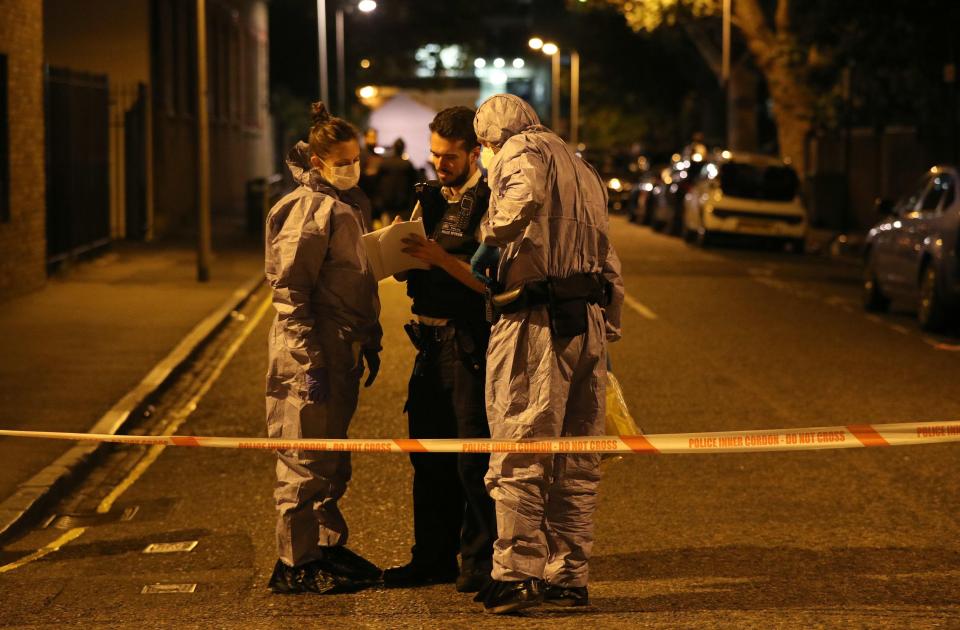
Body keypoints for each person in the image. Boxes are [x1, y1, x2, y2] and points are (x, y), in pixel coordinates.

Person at [470, 94, 624, 614]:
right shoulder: (583, 169)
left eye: (484, 146)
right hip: (588, 323)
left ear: (493, 137)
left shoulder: (519, 152)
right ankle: (569, 576)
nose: (487, 156)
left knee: (520, 447)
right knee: (577, 459)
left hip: (535, 324)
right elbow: (608, 257)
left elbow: (521, 200)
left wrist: (489, 236)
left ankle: (516, 574)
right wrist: (611, 324)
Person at [264, 102, 384, 594]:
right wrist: (307, 359)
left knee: (331, 459)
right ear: (316, 162)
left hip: (340, 347)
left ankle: (326, 548)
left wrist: (369, 338)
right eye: (342, 161)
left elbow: (357, 281)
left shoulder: (346, 204)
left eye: (356, 158)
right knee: (303, 459)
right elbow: (291, 293)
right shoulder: (305, 210)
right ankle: (294, 563)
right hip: (309, 351)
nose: (352, 168)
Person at [382, 106, 497, 594]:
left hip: (468, 341)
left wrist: (437, 258)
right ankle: (431, 557)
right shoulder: (426, 198)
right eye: (433, 155)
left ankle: (479, 561)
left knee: (472, 459)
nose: (439, 165)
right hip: (427, 341)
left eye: (449, 157)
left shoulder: (493, 200)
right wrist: (398, 255)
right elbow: (414, 261)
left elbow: (489, 281)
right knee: (426, 454)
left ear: (475, 152)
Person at [374, 138, 419, 225]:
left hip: (387, 205)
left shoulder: (385, 163)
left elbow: (377, 183)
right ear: (403, 148)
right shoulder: (407, 165)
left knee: (386, 232)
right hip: (403, 206)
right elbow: (414, 184)